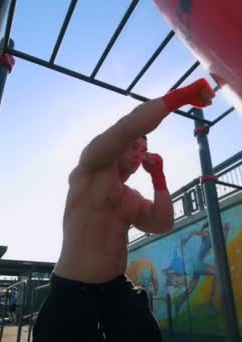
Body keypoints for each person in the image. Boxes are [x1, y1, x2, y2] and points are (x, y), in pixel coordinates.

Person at [32, 78, 215, 342]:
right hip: (72, 291)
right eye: (133, 147)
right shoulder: (91, 166)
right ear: (119, 147)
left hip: (117, 290)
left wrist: (159, 178)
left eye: (144, 150)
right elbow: (129, 125)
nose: (140, 154)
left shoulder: (132, 198)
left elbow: (161, 224)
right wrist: (182, 96)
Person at [177, 221, 230, 315]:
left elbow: (221, 244)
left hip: (197, 265)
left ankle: (178, 304)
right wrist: (186, 239)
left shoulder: (212, 238)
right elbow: (194, 232)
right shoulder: (207, 234)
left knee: (191, 289)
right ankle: (211, 302)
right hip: (198, 264)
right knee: (218, 273)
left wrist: (226, 232)